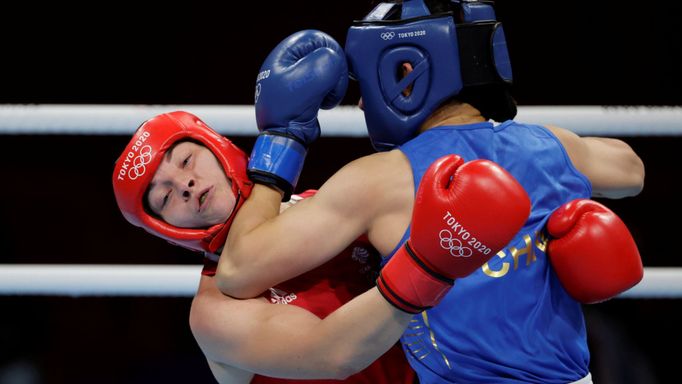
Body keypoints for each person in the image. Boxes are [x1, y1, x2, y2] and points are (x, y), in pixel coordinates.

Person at [215, 1, 646, 383]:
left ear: (406, 71)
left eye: (364, 84)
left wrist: (282, 142)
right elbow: (631, 170)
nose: (362, 105)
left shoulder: (380, 179)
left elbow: (238, 269)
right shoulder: (547, 146)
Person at [111, 110, 530, 383]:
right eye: (163, 197)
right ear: (164, 227)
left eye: (186, 161)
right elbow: (333, 353)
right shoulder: (214, 313)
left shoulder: (328, 208)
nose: (183, 185)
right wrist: (427, 264)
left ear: (216, 147)